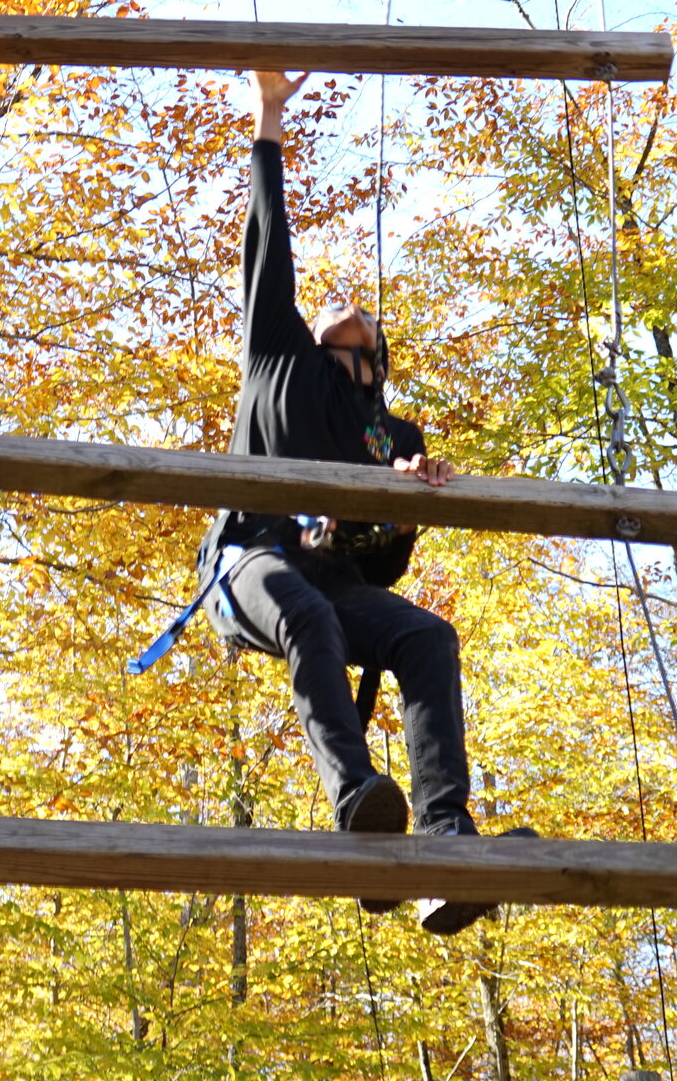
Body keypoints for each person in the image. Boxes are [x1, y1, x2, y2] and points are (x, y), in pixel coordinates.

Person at [199, 69, 521, 936]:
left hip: (334, 582)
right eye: (337, 311)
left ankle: (445, 830)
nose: (352, 305)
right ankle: (356, 796)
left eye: (367, 319)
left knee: (426, 634)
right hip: (249, 560)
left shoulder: (389, 433)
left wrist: (405, 506)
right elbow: (268, 248)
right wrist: (269, 122)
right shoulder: (281, 359)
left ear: (379, 360)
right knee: (306, 608)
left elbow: (380, 564)